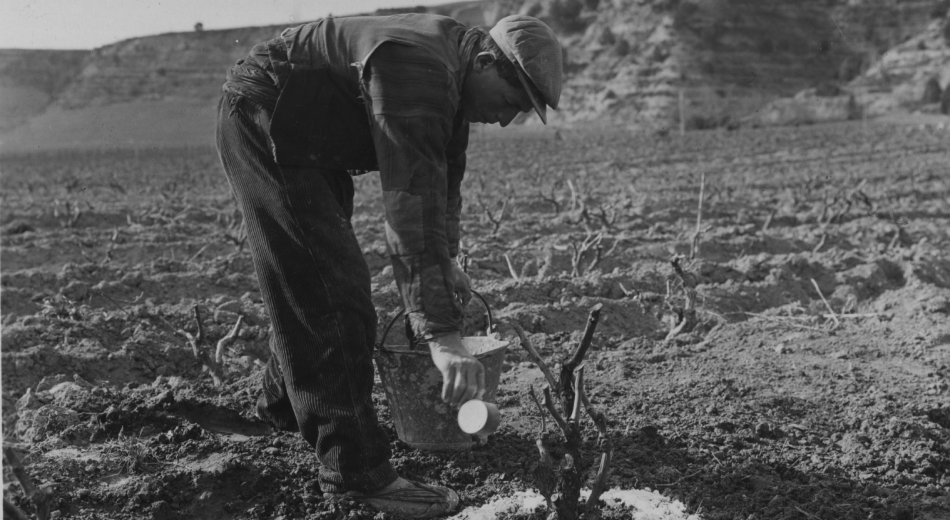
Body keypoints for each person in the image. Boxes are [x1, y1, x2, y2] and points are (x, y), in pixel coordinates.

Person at [215, 12, 562, 518]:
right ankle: (356, 475)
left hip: (308, 136)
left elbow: (443, 187)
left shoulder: (455, 79)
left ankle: (280, 414)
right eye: (510, 102)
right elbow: (409, 203)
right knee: (334, 293)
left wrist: (447, 261)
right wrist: (442, 339)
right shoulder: (419, 69)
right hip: (268, 120)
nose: (507, 119)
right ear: (487, 61)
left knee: (313, 282)